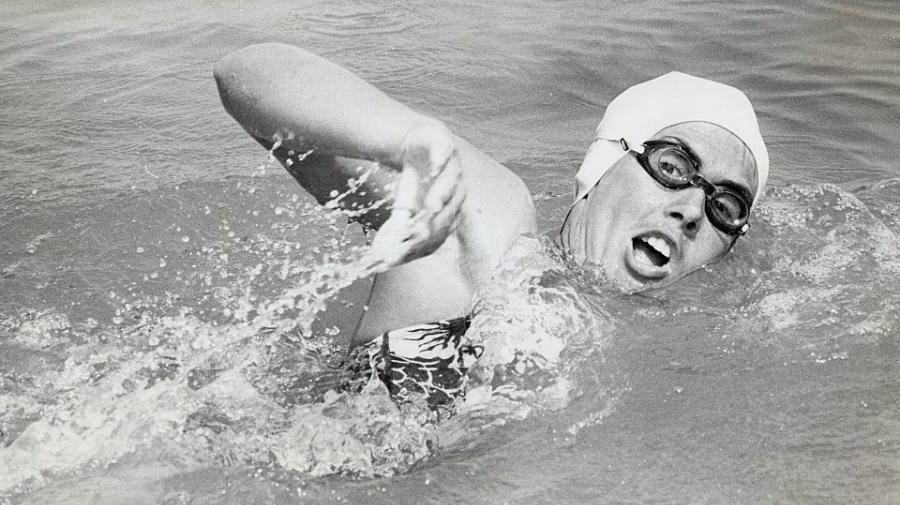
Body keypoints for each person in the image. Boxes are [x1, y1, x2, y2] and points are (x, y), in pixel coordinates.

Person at [214, 43, 768, 408]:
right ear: (604, 165)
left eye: (726, 207)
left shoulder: (674, 374)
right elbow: (247, 73)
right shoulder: (493, 234)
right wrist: (405, 139)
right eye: (672, 167)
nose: (693, 209)